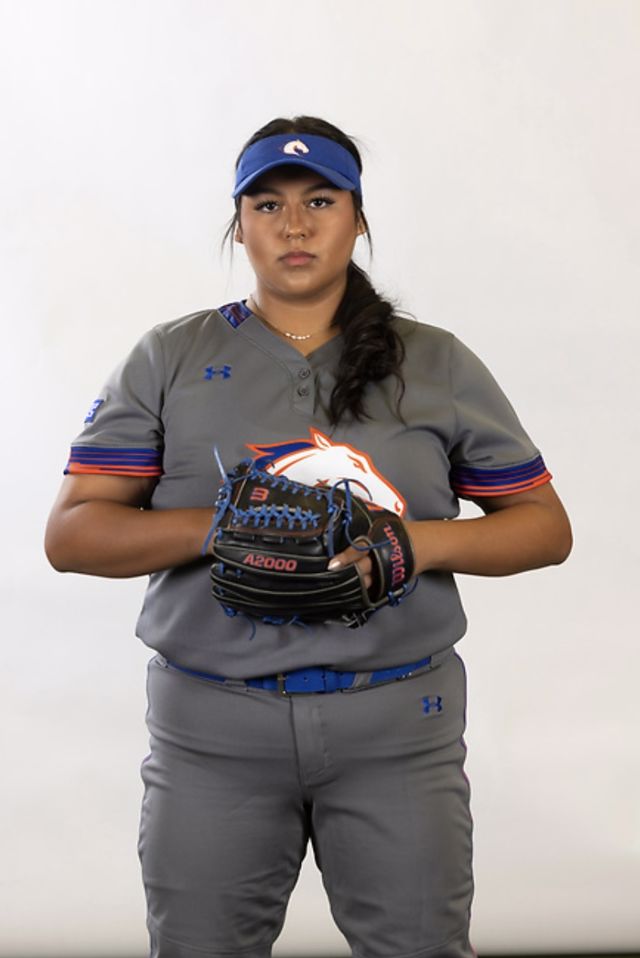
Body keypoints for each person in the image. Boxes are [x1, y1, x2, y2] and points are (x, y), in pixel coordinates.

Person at [45, 115, 572, 958]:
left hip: (397, 724)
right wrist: (223, 530)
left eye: (320, 200)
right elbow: (73, 534)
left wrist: (416, 545)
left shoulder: (433, 360)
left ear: (358, 218)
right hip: (213, 727)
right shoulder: (170, 356)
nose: (294, 225)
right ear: (239, 223)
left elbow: (544, 528)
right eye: (268, 205)